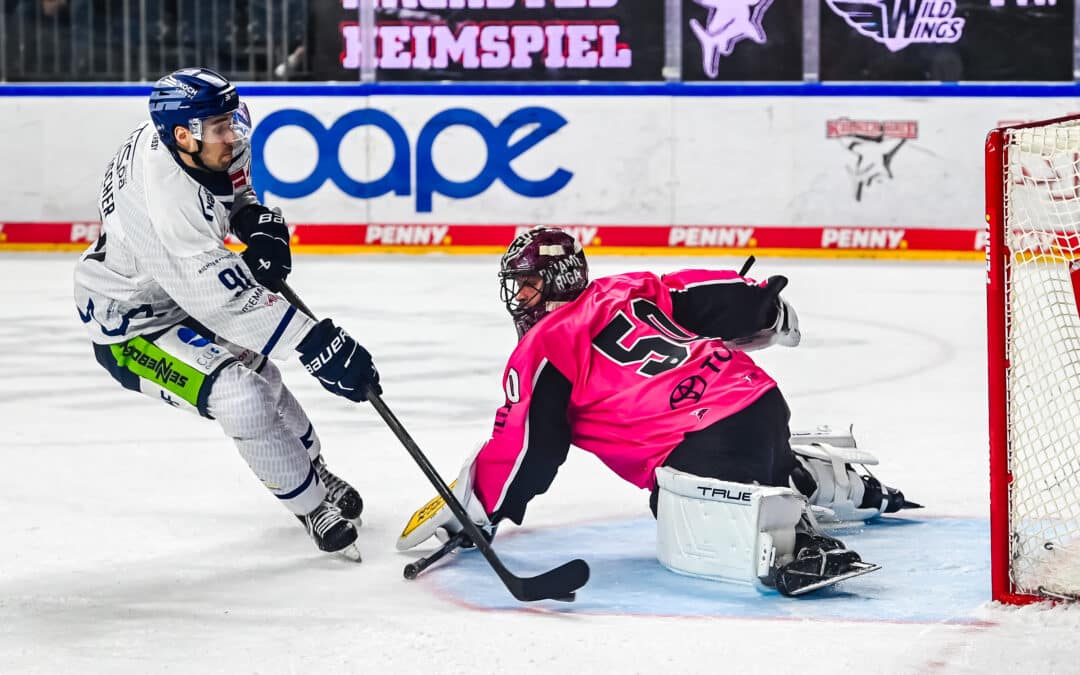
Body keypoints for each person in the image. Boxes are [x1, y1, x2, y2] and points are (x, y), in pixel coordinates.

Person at [398, 227, 917, 595]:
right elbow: (706, 294)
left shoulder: (545, 348)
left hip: (701, 440)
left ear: (557, 282)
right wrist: (764, 307)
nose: (520, 298)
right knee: (746, 461)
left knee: (678, 514)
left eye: (529, 284)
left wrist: (482, 509)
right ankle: (817, 478)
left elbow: (530, 448)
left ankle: (795, 540)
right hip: (757, 399)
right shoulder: (628, 289)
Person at [73, 67, 381, 561]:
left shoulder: (202, 137)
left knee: (262, 370)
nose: (233, 134)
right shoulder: (163, 206)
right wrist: (315, 341)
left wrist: (255, 222)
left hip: (178, 289)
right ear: (182, 135)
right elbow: (226, 302)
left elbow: (233, 190)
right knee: (240, 395)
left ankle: (311, 466)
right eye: (220, 127)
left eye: (230, 120)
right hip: (131, 322)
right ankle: (309, 505)